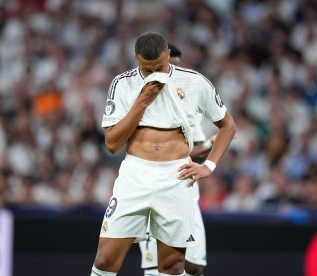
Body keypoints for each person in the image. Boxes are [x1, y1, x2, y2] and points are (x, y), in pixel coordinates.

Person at [91, 32, 236, 276]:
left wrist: (208, 166)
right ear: (136, 59)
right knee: (105, 260)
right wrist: (142, 101)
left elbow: (228, 126)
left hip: (175, 176)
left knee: (172, 266)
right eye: (147, 69)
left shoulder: (194, 82)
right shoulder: (122, 84)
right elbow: (113, 143)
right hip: (135, 175)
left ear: (169, 54)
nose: (154, 74)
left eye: (159, 67)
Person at [139, 43, 215, 276]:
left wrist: (209, 146)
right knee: (158, 268)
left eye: (179, 67)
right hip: (155, 196)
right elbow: (153, 153)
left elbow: (198, 148)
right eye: (171, 67)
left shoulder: (189, 104)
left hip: (187, 196)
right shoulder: (144, 105)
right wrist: (209, 146)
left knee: (194, 266)